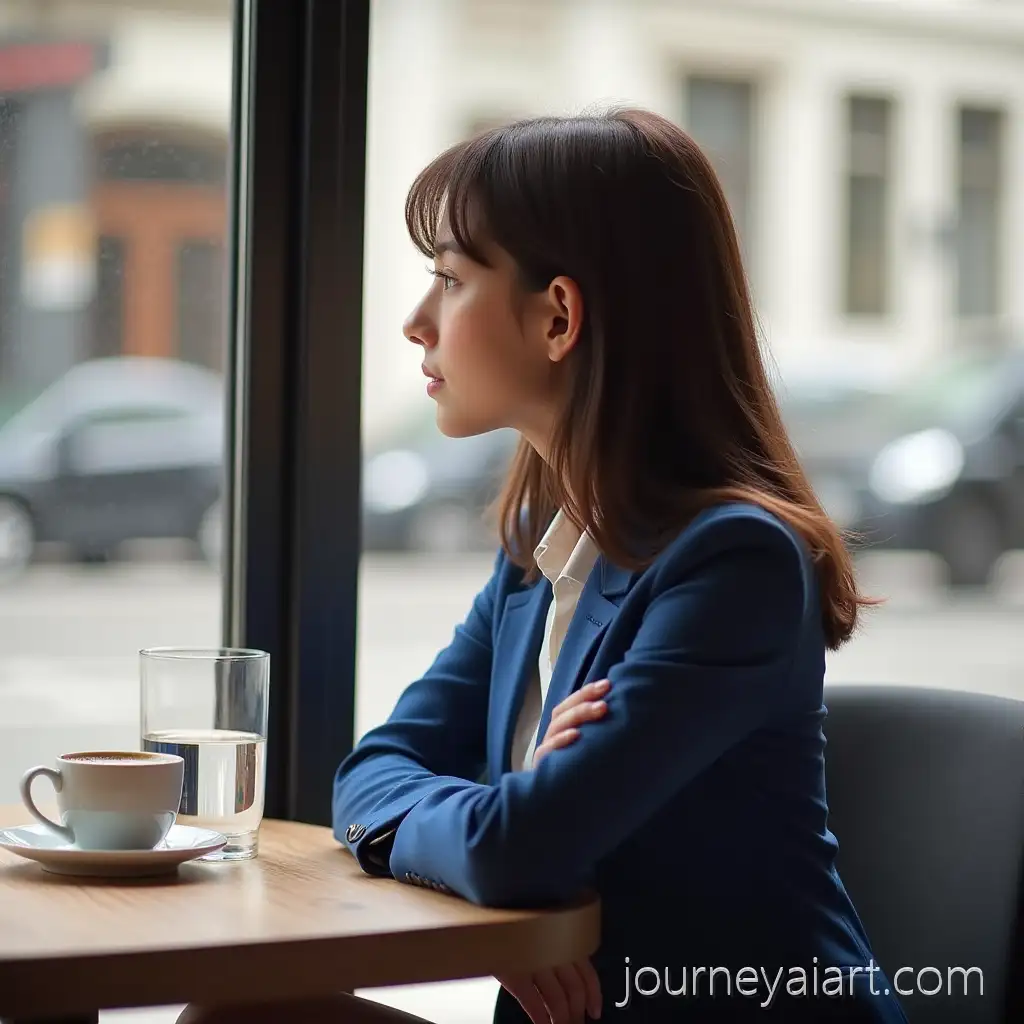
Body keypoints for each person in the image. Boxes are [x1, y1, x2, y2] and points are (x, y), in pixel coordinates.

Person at [179, 109, 909, 1023]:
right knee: (242, 1015)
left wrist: (512, 842)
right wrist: (507, 831)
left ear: (559, 315)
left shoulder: (737, 565)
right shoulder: (540, 555)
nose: (415, 323)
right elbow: (367, 777)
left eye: (448, 279)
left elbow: (513, 847)